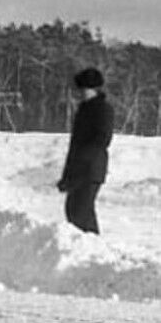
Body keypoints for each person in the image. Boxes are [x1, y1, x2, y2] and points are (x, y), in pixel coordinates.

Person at [57, 67, 114, 234]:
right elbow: (75, 146)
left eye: (83, 90)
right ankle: (85, 249)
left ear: (92, 89)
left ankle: (94, 250)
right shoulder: (83, 109)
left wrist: (83, 160)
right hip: (78, 170)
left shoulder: (103, 109)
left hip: (91, 169)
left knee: (81, 213)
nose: (80, 93)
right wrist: (67, 175)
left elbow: (102, 139)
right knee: (73, 212)